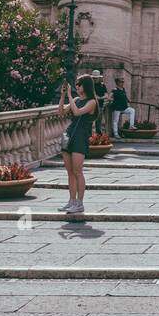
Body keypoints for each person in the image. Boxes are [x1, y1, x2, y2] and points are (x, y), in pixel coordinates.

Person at [58, 75, 98, 214]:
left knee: (77, 171)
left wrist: (69, 95)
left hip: (80, 136)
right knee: (69, 171)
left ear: (85, 86)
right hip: (69, 134)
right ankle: (71, 201)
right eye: (76, 84)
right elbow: (61, 112)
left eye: (79, 84)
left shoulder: (92, 102)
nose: (77, 87)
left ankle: (80, 203)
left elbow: (77, 112)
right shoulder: (76, 100)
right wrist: (63, 96)